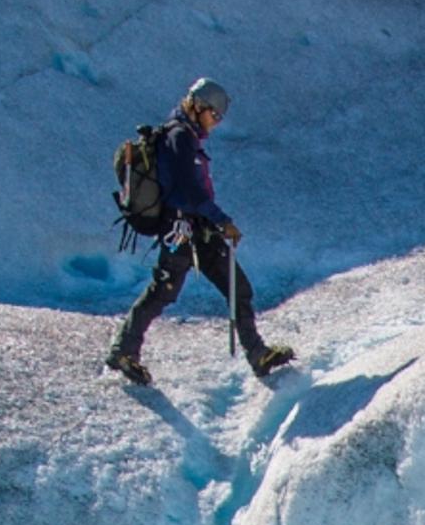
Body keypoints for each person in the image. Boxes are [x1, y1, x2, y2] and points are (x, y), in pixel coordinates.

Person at [106, 77, 298, 384]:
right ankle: (123, 351)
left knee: (236, 287)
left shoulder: (187, 137)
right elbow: (190, 192)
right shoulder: (179, 136)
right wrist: (222, 220)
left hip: (198, 227)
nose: (216, 122)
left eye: (219, 117)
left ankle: (257, 353)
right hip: (179, 227)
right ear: (197, 106)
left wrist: (213, 221)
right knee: (164, 290)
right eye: (214, 114)